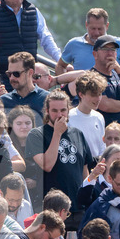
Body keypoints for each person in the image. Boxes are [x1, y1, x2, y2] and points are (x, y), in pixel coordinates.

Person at [27, 90, 93, 224]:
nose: (59, 115)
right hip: (52, 209)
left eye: (63, 110)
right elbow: (47, 165)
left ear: (68, 110)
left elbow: (84, 169)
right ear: (47, 111)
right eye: (54, 111)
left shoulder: (78, 134)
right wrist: (57, 133)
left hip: (77, 207)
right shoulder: (37, 135)